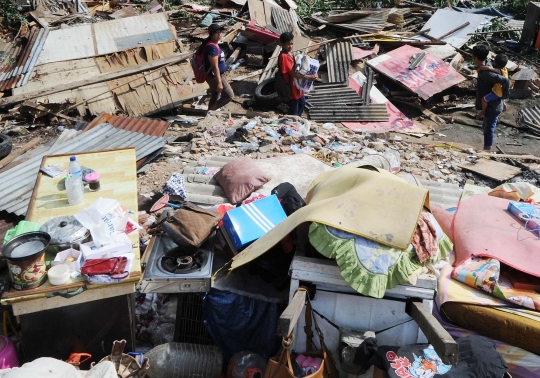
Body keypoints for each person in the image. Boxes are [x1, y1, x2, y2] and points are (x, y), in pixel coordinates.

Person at [472, 44, 509, 151]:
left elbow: (505, 81)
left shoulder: (487, 72)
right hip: (492, 104)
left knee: (488, 130)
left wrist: (504, 97)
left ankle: (486, 152)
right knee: (487, 128)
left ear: (474, 57)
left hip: (493, 107)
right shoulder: (490, 65)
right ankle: (486, 149)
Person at [278, 32, 317, 116]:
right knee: (294, 107)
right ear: (282, 44)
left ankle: (297, 121)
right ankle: (293, 122)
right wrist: (308, 77)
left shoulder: (290, 54)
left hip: (297, 85)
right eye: (288, 44)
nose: (290, 46)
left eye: (292, 44)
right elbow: (292, 74)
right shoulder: (284, 56)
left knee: (302, 102)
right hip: (291, 86)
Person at [197, 23, 234, 111]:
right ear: (211, 34)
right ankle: (210, 112)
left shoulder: (215, 44)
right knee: (229, 96)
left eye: (221, 31)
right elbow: (214, 67)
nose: (219, 34)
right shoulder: (212, 48)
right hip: (213, 76)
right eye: (216, 32)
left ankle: (209, 113)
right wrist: (219, 82)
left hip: (214, 76)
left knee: (215, 95)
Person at [476, 53, 509, 119]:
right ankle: (504, 103)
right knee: (501, 96)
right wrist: (495, 57)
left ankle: (483, 111)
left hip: (497, 93)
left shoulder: (499, 71)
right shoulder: (505, 69)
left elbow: (488, 68)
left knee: (484, 99)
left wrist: (480, 68)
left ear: (496, 63)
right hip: (502, 90)